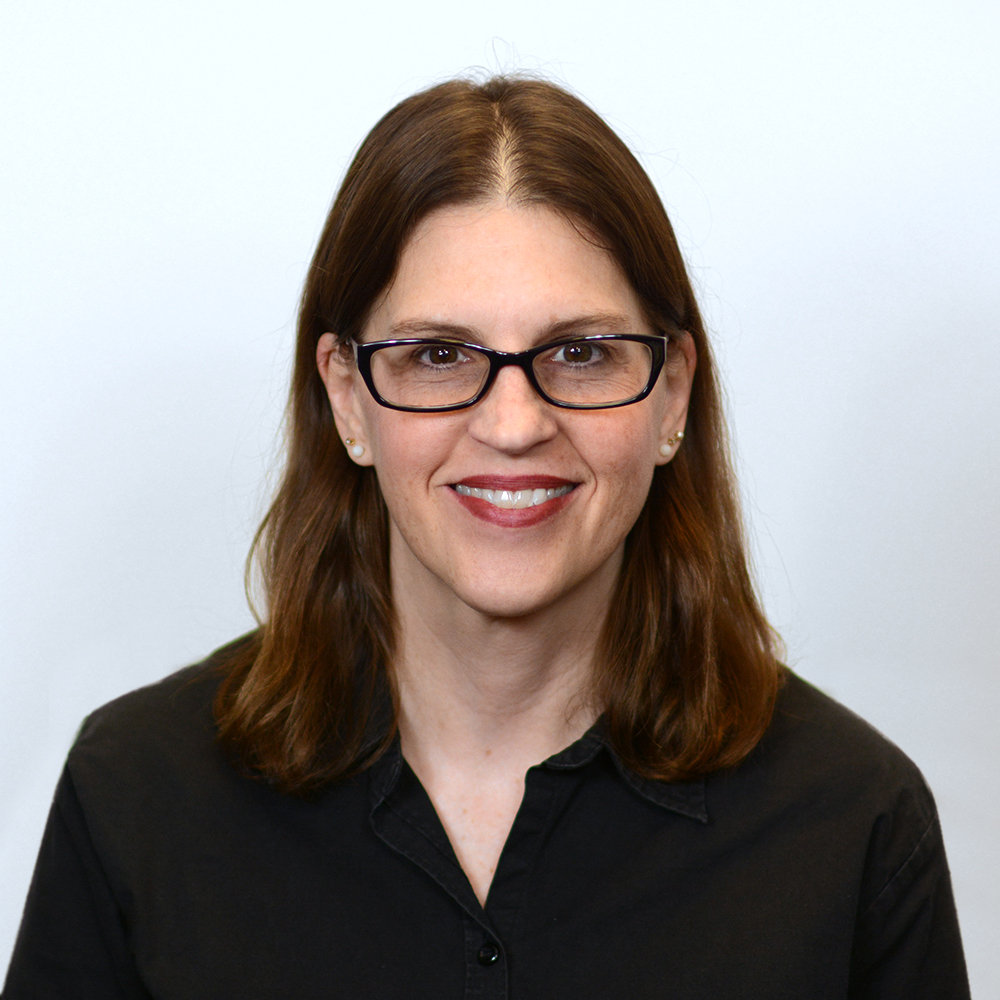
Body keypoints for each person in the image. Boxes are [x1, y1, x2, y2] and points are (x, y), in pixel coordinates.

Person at [3, 76, 969, 999]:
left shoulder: (854, 826)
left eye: (581, 352)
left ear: (673, 392)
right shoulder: (137, 796)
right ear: (347, 397)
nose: (513, 425)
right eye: (437, 355)